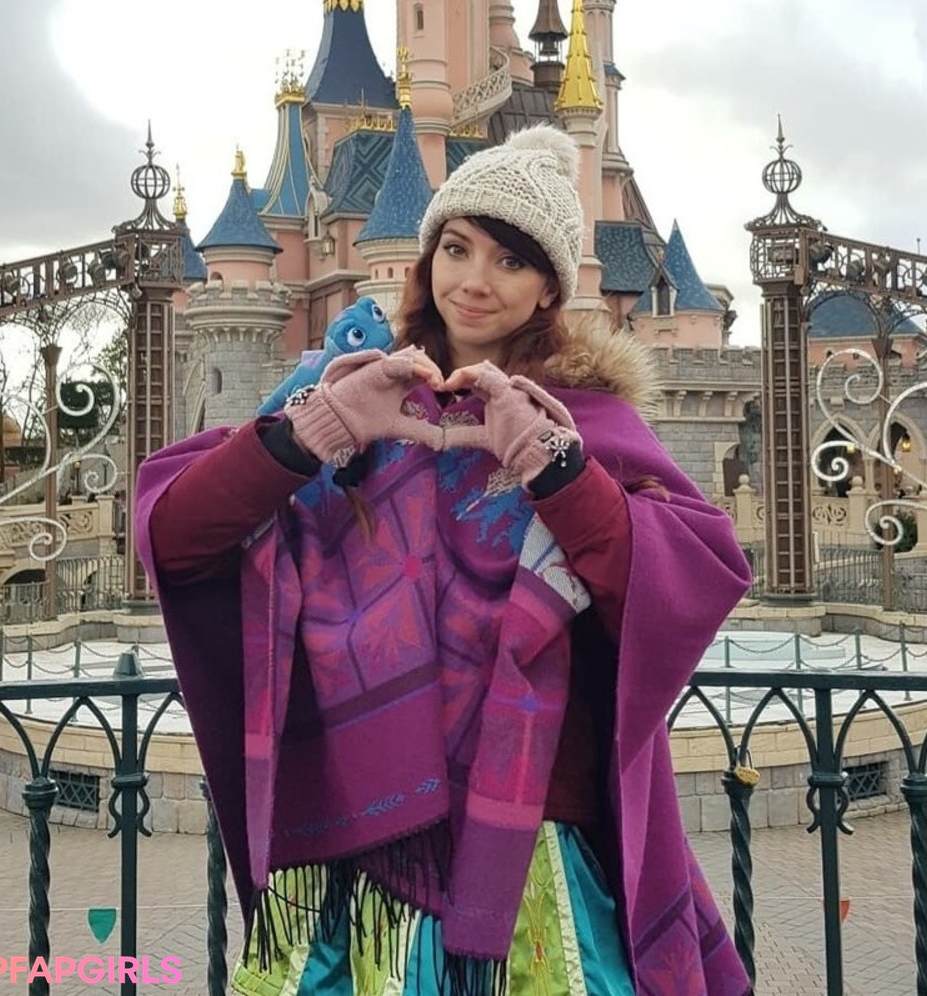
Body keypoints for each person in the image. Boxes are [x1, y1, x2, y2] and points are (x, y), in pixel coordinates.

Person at [135, 124, 753, 996]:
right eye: (456, 249)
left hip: (529, 846)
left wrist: (551, 467)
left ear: (550, 288)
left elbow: (683, 583)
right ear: (423, 260)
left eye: (510, 260)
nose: (474, 280)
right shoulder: (350, 393)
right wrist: (318, 429)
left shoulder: (584, 424)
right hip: (358, 848)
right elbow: (174, 535)